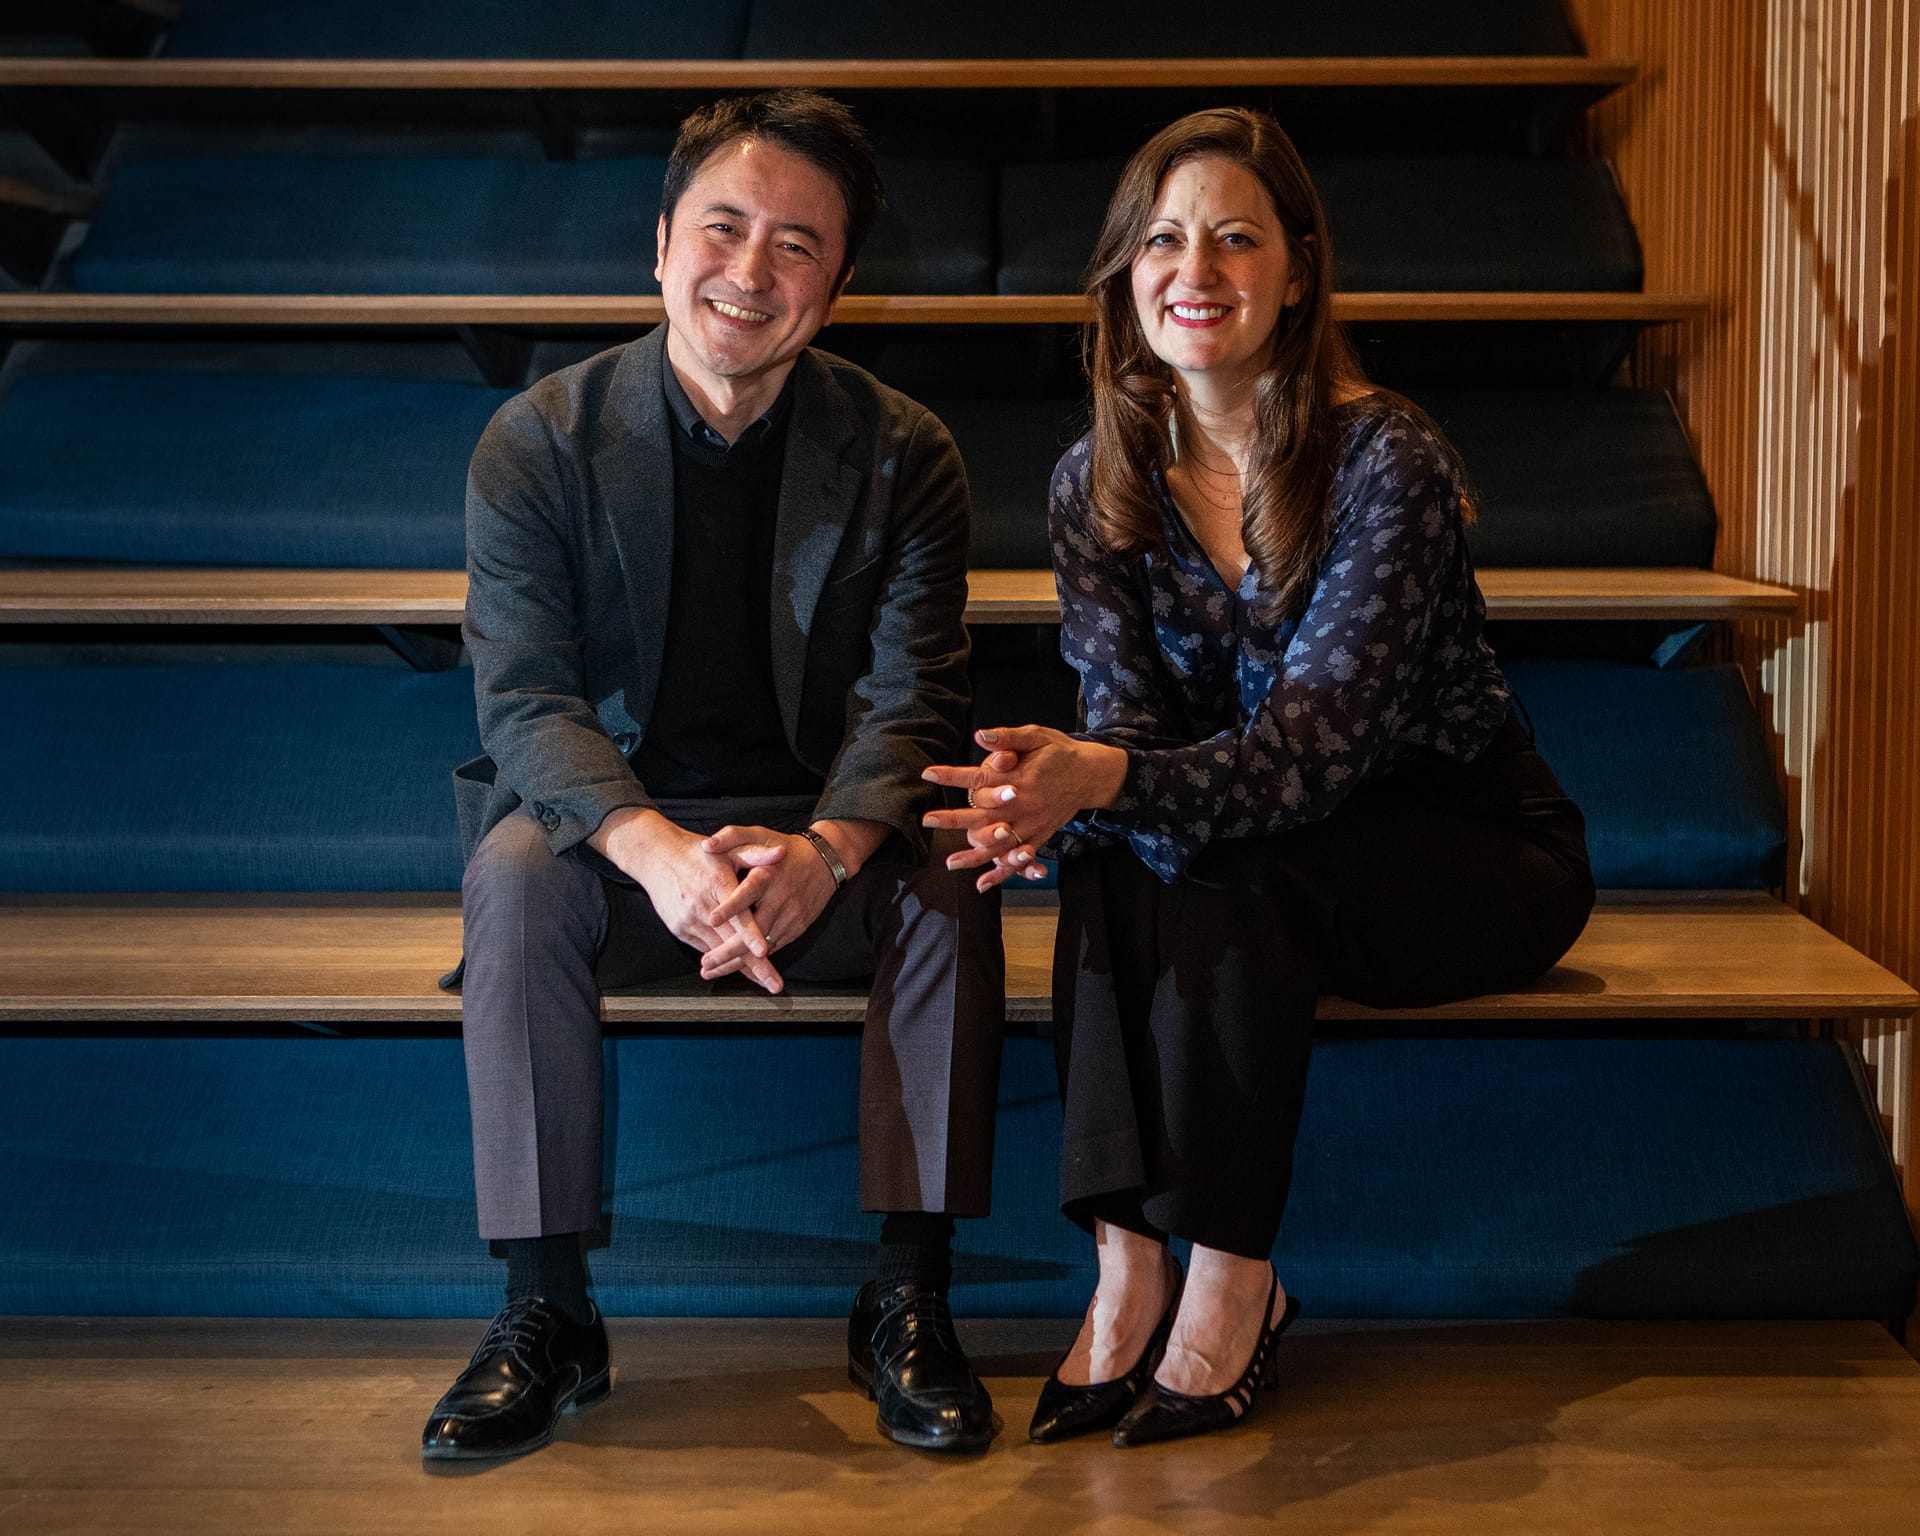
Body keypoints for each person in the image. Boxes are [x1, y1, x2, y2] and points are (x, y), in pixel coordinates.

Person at [924, 107, 1595, 1448]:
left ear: (1298, 268)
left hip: (1463, 843)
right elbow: (1123, 721)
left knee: (1213, 863)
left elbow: (1314, 753)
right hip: (1258, 829)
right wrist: (1063, 786)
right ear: (1124, 273)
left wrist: (1100, 779)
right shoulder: (1094, 476)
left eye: (1238, 237)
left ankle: (1233, 1288)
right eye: (1165, 238)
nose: (1199, 269)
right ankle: (1125, 1277)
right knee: (1116, 847)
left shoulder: (1382, 460)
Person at [423, 89, 1005, 1461]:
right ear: (662, 240)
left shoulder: (905, 451)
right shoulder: (538, 442)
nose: (752, 274)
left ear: (841, 281)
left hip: (824, 828)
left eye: (798, 246)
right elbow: (525, 698)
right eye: (725, 228)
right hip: (620, 831)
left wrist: (830, 852)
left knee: (954, 883)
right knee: (511, 881)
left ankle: (908, 1297)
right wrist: (650, 847)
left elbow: (914, 698)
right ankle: (546, 1307)